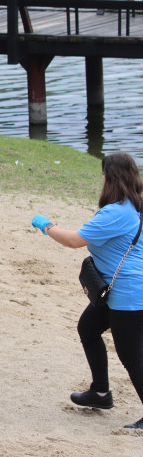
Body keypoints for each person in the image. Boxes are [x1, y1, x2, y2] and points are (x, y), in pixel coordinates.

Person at [32, 151, 143, 431]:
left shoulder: (115, 213)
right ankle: (101, 393)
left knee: (131, 355)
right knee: (88, 328)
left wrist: (47, 225)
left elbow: (73, 241)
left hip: (128, 294)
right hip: (118, 290)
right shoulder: (135, 207)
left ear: (109, 178)